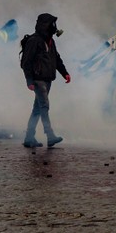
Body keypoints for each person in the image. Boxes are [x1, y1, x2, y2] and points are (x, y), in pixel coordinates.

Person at [20, 13, 71, 148]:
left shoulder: (50, 41)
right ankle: (50, 135)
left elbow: (57, 59)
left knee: (37, 109)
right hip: (38, 80)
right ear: (45, 25)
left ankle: (29, 137)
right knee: (44, 107)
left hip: (47, 79)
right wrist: (29, 80)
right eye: (52, 24)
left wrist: (64, 73)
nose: (55, 28)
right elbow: (26, 62)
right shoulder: (34, 41)